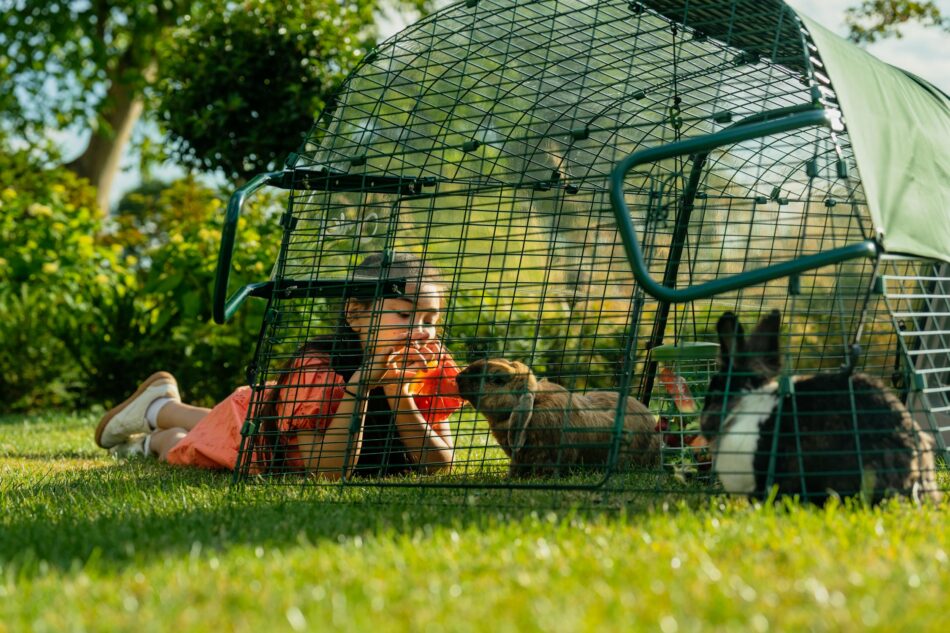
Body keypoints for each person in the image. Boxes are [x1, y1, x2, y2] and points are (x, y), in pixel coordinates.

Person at [94, 251, 465, 479]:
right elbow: (328, 471)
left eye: (430, 320)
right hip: (259, 435)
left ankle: (159, 406)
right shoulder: (317, 370)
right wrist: (361, 386)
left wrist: (398, 391)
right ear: (355, 314)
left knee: (211, 422)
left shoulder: (428, 366)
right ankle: (156, 427)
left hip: (266, 408)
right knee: (188, 447)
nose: (421, 332)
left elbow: (438, 463)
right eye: (404, 316)